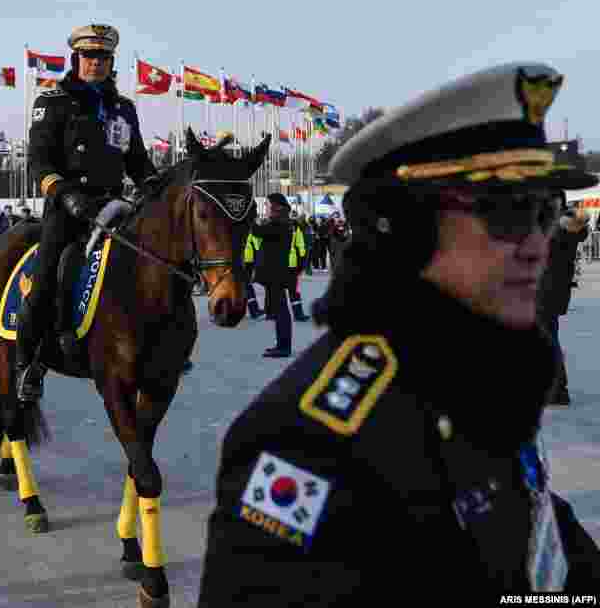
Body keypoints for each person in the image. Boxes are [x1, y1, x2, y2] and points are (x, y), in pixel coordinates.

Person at [197, 62, 600, 605]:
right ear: (410, 229)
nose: (536, 244)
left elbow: (542, 550)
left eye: (546, 211)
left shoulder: (481, 377)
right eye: (507, 213)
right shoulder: (308, 445)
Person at [15, 23, 161, 402]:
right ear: (76, 59)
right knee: (48, 277)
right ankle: (28, 362)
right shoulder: (53, 101)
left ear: (112, 62)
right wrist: (64, 194)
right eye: (89, 56)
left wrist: (153, 186)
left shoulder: (123, 108)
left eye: (103, 57)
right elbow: (38, 162)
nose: (95, 63)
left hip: (113, 206)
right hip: (67, 207)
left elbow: (138, 161)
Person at [538, 199, 590, 407]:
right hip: (550, 290)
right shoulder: (561, 229)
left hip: (545, 291)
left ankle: (557, 389)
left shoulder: (556, 230)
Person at [250, 193, 295, 357]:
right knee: (279, 310)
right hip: (275, 273)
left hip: (276, 273)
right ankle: (281, 345)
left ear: (277, 206)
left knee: (281, 311)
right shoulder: (279, 221)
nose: (267, 208)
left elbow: (257, 231)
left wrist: (248, 216)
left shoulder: (280, 222)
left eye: (268, 205)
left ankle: (284, 347)